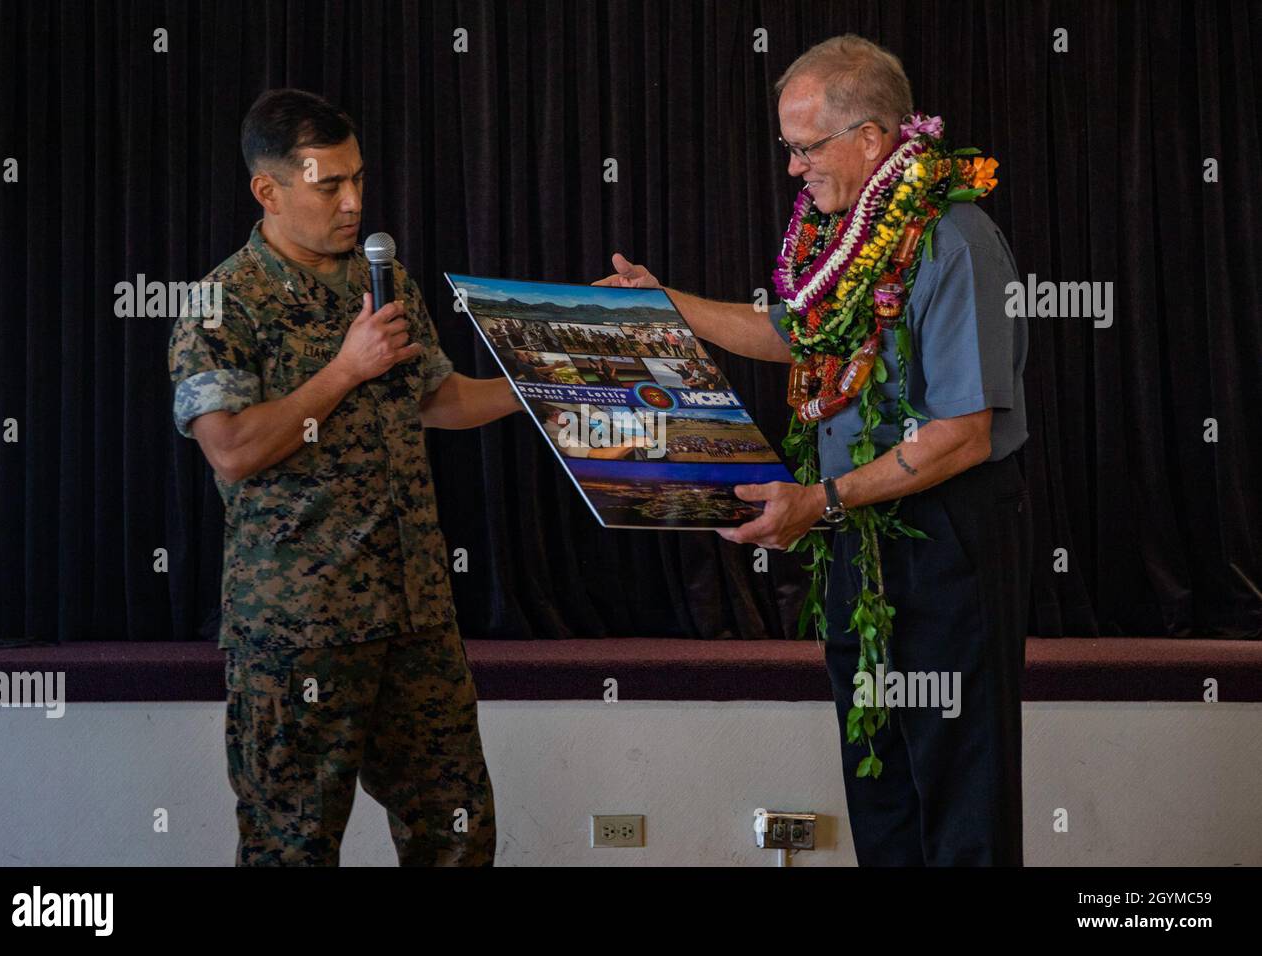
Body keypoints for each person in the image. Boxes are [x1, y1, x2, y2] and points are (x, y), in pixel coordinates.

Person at [597, 34, 1031, 866]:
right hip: (857, 532)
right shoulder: (847, 235)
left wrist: (820, 502)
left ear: (870, 137)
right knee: (880, 778)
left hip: (946, 536)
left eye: (806, 147)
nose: (793, 168)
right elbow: (799, 334)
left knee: (959, 787)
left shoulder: (955, 239)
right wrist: (664, 303)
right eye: (788, 147)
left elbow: (962, 435)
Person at [168, 88, 521, 866]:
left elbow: (438, 399)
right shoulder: (223, 303)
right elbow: (231, 448)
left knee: (457, 830)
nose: (354, 202)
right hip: (301, 629)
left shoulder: (382, 283)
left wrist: (548, 383)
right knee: (292, 845)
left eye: (357, 178)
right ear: (268, 190)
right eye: (329, 185)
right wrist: (344, 369)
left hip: (414, 614)